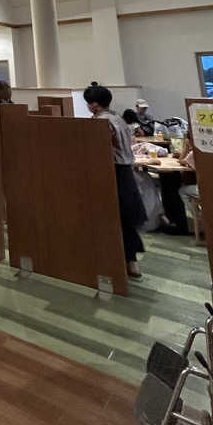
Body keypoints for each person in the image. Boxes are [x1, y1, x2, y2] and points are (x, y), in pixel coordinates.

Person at [84, 83, 147, 279]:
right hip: (126, 172)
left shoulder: (101, 122)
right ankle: (130, 262)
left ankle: (118, 260)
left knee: (116, 217)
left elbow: (98, 151)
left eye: (89, 102)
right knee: (125, 218)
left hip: (112, 172)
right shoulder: (118, 118)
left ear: (94, 105)